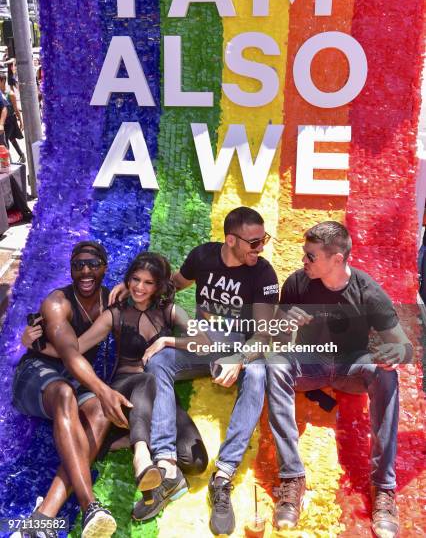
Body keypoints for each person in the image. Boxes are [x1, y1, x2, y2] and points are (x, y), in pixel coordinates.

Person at [111, 207, 279, 534]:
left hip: (241, 347)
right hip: (202, 343)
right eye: (254, 242)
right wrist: (130, 287)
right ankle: (167, 467)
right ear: (231, 239)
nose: (260, 248)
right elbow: (169, 285)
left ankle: (224, 476)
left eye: (263, 240)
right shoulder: (203, 256)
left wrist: (239, 359)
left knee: (258, 373)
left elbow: (265, 333)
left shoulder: (263, 274)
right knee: (158, 361)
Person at [266, 221, 413, 538]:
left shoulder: (367, 291)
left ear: (336, 259)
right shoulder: (297, 283)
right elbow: (272, 339)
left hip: (351, 366)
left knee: (386, 375)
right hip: (312, 362)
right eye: (304, 255)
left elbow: (404, 346)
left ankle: (383, 489)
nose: (303, 261)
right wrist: (283, 323)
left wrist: (393, 354)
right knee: (276, 364)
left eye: (310, 256)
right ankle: (293, 478)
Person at [24, 252, 209, 497]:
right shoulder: (115, 314)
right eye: (135, 279)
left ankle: (128, 438)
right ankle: (141, 458)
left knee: (194, 461)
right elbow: (75, 348)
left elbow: (204, 341)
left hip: (159, 394)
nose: (139, 287)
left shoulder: (170, 311)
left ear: (158, 286)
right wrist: (34, 344)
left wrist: (166, 340)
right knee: (146, 378)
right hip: (125, 388)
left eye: (148, 282)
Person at [12, 241, 131, 538]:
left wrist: (131, 290)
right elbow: (71, 353)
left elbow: (155, 297)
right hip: (38, 376)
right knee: (65, 392)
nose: (86, 271)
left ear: (105, 266)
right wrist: (103, 390)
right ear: (70, 270)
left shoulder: (113, 302)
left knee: (101, 415)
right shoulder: (56, 303)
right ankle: (89, 504)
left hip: (79, 379)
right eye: (78, 265)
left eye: (93, 264)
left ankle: (42, 518)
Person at [0, 70, 25, 163]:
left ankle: (7, 162)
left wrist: (21, 121)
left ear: (3, 81)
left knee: (4, 140)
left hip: (10, 121)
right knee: (11, 139)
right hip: (4, 121)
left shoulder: (10, 94)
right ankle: (21, 155)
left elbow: (15, 109)